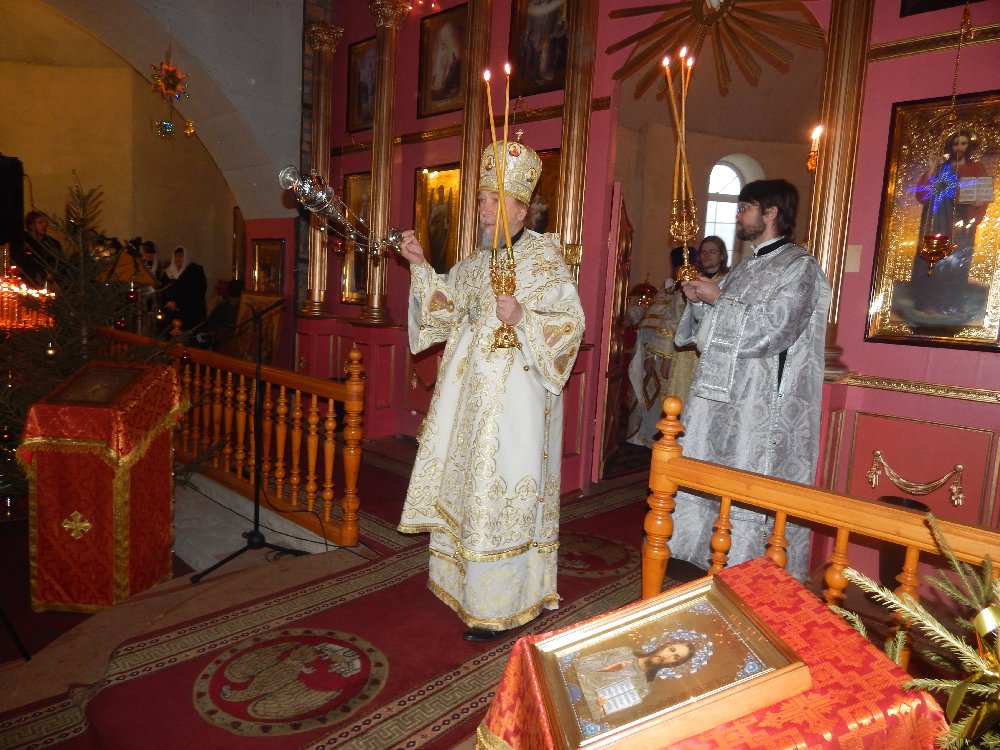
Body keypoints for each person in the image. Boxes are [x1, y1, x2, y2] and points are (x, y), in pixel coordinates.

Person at [396, 136, 585, 642]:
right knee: (466, 489)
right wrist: (419, 265)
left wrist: (522, 316)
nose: (481, 209)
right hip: (467, 404)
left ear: (521, 209)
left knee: (499, 493)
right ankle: (461, 587)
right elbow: (442, 315)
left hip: (516, 406)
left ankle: (503, 603)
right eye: (480, 199)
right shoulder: (475, 264)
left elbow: (570, 324)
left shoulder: (545, 258)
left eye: (492, 200)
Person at [670, 179, 831, 581]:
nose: (738, 215)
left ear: (771, 212)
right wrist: (700, 303)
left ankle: (747, 567)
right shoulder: (745, 268)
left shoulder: (799, 268)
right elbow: (710, 332)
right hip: (719, 398)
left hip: (759, 404)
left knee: (747, 479)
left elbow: (772, 330)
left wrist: (718, 300)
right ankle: (701, 553)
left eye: (745, 207)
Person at [626, 238, 729, 448]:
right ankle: (676, 446)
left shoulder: (728, 283)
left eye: (713, 251)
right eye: (704, 252)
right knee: (679, 400)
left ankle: (700, 447)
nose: (707, 256)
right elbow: (672, 319)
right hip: (683, 355)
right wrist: (666, 356)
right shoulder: (690, 282)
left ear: (722, 255)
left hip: (712, 354)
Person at [905, 129, 991, 321]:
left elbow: (983, 196)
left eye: (963, 143)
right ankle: (929, 302)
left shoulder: (975, 168)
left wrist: (978, 204)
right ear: (950, 147)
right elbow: (922, 196)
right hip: (938, 222)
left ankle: (953, 305)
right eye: (955, 144)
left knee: (957, 264)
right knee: (934, 261)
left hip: (962, 223)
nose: (959, 147)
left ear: (969, 146)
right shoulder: (940, 168)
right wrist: (931, 170)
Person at [159, 245, 208, 334]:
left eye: (181, 256)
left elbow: (195, 293)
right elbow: (163, 290)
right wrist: (166, 303)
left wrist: (178, 304)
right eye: (176, 256)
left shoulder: (194, 272)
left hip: (189, 313)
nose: (178, 259)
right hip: (170, 313)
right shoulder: (168, 273)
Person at [18, 210, 63, 285]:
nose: (44, 225)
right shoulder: (23, 241)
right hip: (25, 280)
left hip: (48, 281)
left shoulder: (53, 243)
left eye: (46, 222)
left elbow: (58, 263)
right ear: (31, 225)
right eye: (40, 222)